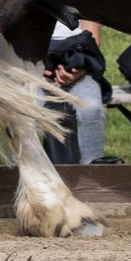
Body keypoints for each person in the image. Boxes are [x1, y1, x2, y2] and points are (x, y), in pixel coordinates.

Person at [43, 20, 108, 165]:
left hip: (80, 68)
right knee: (26, 110)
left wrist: (79, 71)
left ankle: (92, 168)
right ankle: (24, 170)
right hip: (34, 71)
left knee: (92, 108)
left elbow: (93, 42)